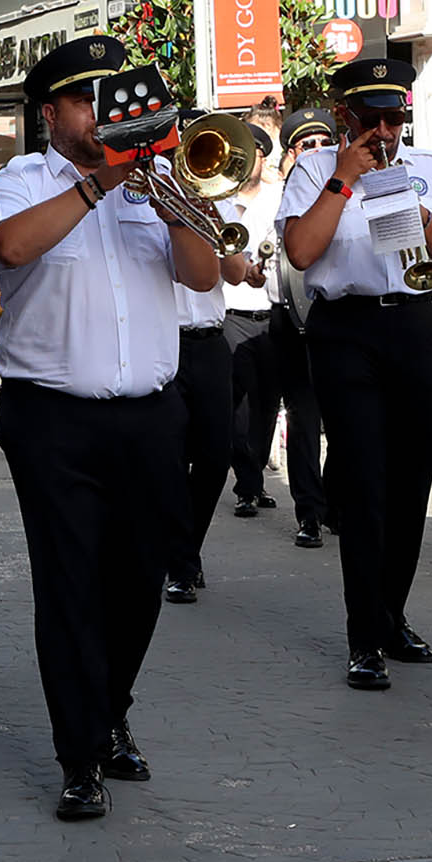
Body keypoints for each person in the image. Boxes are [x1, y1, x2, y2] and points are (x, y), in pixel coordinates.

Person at [0, 36, 221, 821]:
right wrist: (98, 185)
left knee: (141, 579)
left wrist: (167, 195)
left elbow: (204, 274)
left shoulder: (152, 183)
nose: (103, 112)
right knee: (71, 585)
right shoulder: (20, 181)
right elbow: (8, 250)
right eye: (87, 99)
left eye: (111, 97)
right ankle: (79, 756)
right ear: (51, 113)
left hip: (151, 413)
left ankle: (111, 709)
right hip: (54, 417)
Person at [278, 56, 432, 691]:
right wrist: (344, 178)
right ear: (346, 117)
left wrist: (420, 214)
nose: (385, 132)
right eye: (373, 120)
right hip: (346, 331)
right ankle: (363, 634)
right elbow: (302, 253)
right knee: (365, 483)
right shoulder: (314, 169)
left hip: (415, 324)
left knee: (412, 481)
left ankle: (391, 614)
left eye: (395, 119)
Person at [163, 177, 252, 604]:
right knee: (172, 460)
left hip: (212, 341)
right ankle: (181, 563)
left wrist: (211, 217)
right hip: (163, 340)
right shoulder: (153, 206)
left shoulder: (221, 208)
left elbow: (235, 274)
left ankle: (184, 550)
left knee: (216, 457)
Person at [268, 108, 336, 548]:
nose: (315, 151)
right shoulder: (276, 191)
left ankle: (336, 500)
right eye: (304, 145)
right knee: (304, 417)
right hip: (289, 318)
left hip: (333, 315)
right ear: (290, 153)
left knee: (345, 416)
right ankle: (309, 511)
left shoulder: (341, 189)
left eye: (321, 143)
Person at [223, 124, 283, 521]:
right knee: (238, 410)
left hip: (274, 313)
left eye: (258, 154)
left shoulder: (279, 197)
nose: (252, 163)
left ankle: (256, 476)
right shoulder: (223, 198)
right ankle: (246, 484)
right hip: (233, 313)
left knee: (266, 406)